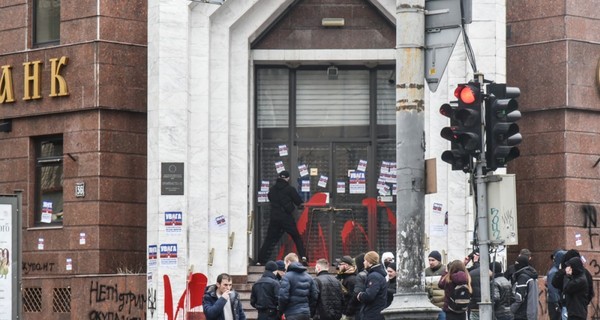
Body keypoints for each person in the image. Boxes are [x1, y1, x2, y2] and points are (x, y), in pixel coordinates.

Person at [257, 171, 306, 264]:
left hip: (274, 218)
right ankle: (303, 257)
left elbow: (270, 198)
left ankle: (260, 261)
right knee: (296, 238)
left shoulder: (272, 190)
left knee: (269, 239)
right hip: (286, 218)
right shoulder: (290, 189)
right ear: (287, 178)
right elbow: (299, 202)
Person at [278, 252, 318, 320]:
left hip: (292, 313)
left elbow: (283, 297)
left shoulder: (287, 277)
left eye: (285, 264)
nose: (285, 267)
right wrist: (309, 310)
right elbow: (314, 296)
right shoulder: (309, 277)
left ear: (288, 262)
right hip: (305, 313)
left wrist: (281, 311)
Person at [356, 251, 387, 320]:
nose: (363, 263)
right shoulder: (378, 275)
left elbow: (369, 295)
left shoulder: (374, 276)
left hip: (372, 314)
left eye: (365, 260)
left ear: (369, 262)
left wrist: (360, 295)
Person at [510, 255, 538, 320]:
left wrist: (511, 309)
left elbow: (519, 298)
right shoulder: (532, 276)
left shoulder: (523, 277)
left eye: (516, 263)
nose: (515, 265)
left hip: (523, 313)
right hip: (532, 312)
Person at [425, 250, 446, 320]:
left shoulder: (445, 271)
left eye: (433, 260)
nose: (430, 262)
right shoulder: (426, 271)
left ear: (439, 260)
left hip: (442, 306)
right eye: (429, 260)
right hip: (429, 306)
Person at [547, 250, 566, 320]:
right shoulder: (554, 272)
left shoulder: (557, 270)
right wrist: (556, 303)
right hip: (555, 302)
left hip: (557, 301)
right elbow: (552, 289)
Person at [347, 253, 367, 320]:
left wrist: (349, 309)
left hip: (359, 310)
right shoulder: (371, 273)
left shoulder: (360, 275)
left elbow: (356, 294)